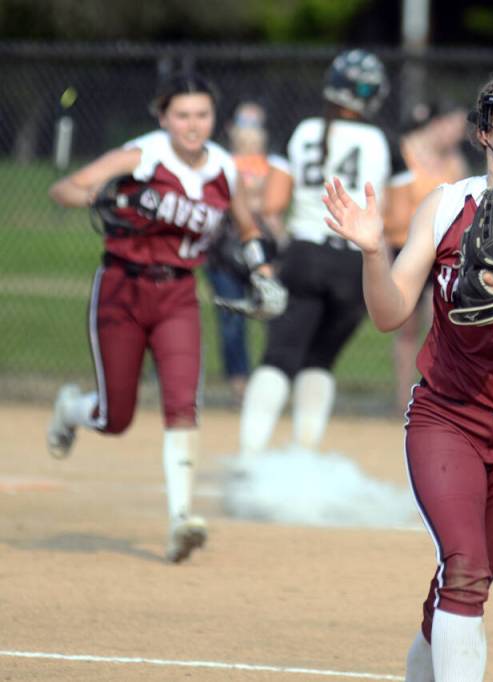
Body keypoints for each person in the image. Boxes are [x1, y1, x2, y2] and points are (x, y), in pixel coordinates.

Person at [322, 58, 493, 682]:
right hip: (449, 415)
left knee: (461, 584)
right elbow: (391, 313)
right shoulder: (447, 205)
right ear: (484, 132)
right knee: (466, 571)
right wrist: (373, 252)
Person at [45, 72, 285, 563]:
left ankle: (180, 519)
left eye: (201, 114)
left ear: (213, 118)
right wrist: (109, 196)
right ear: (163, 118)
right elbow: (64, 189)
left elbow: (244, 224)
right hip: (122, 289)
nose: (192, 125)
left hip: (177, 292)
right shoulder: (142, 155)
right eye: (182, 115)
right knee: (117, 417)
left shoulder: (222, 166)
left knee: (183, 403)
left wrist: (262, 269)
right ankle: (73, 409)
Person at [237, 49, 409, 455]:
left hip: (303, 252)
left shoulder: (303, 130)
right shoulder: (384, 140)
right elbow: (400, 217)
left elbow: (274, 203)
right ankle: (304, 453)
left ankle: (250, 455)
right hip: (354, 262)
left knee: (279, 356)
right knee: (321, 359)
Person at [383, 101, 470, 415]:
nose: (458, 135)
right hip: (403, 246)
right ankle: (402, 396)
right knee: (405, 325)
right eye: (453, 126)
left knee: (440, 323)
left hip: (440, 251)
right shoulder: (403, 153)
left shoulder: (454, 162)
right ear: (436, 123)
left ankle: (434, 392)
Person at [205, 101, 289, 403]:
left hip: (264, 254)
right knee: (231, 320)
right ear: (231, 128)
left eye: (257, 126)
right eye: (244, 125)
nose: (250, 134)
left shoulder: (274, 165)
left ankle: (269, 382)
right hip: (224, 254)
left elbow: (271, 208)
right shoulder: (218, 161)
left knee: (273, 314)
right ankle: (239, 384)